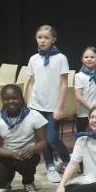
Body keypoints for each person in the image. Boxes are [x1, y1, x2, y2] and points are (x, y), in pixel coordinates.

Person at [0, 84, 47, 192]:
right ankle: (7, 179)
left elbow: (43, 142)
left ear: (21, 98)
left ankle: (28, 182)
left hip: (27, 155)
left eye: (14, 98)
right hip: (6, 155)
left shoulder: (34, 115)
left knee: (26, 163)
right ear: (2, 100)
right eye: (6, 99)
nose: (11, 101)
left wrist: (32, 150)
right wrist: (12, 154)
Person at [25, 24, 70, 183]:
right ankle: (50, 166)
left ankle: (68, 161)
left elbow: (64, 84)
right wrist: (29, 105)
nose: (42, 41)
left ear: (53, 40)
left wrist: (60, 107)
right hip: (36, 106)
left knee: (51, 138)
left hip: (52, 107)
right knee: (41, 140)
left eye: (46, 38)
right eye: (39, 37)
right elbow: (31, 83)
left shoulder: (61, 58)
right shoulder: (33, 59)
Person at [73, 46, 96, 133]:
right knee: (83, 137)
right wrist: (93, 110)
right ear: (82, 59)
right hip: (84, 114)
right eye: (86, 57)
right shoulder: (79, 76)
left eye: (92, 57)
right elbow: (78, 96)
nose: (89, 59)